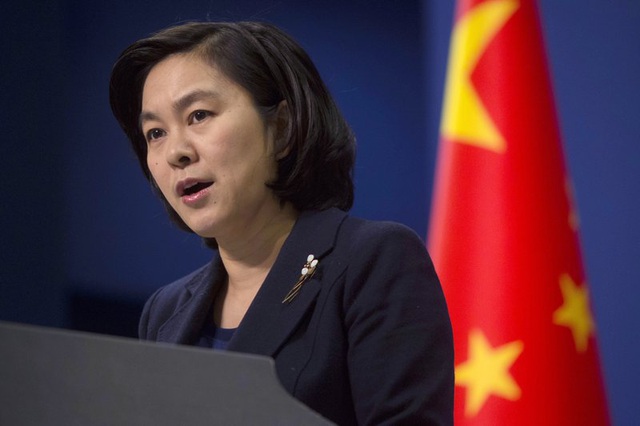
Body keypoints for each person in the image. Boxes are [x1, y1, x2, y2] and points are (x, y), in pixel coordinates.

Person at [109, 21, 453, 425]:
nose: (175, 152)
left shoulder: (372, 262)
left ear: (282, 128)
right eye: (155, 133)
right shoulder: (164, 311)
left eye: (199, 115)